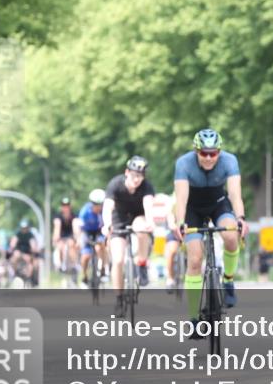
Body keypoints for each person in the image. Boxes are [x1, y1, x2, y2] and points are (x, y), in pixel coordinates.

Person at [173, 129, 248, 319]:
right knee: (196, 259)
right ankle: (193, 317)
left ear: (219, 152)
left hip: (218, 204)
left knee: (231, 236)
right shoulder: (183, 163)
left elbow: (235, 194)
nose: (208, 158)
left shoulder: (230, 161)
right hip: (192, 209)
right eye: (203, 153)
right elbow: (181, 199)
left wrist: (240, 218)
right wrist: (180, 223)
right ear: (196, 151)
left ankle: (228, 280)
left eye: (213, 153)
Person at [102, 156, 156, 317]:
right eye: (134, 175)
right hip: (119, 217)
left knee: (142, 229)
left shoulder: (146, 187)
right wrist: (106, 224)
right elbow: (108, 207)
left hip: (138, 216)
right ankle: (119, 298)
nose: (136, 179)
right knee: (118, 260)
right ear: (127, 173)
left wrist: (151, 221)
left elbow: (148, 205)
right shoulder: (115, 184)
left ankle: (142, 264)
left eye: (140, 176)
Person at [78, 188, 108, 284]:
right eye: (96, 204)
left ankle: (103, 270)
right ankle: (84, 276)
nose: (98, 207)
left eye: (101, 204)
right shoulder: (85, 211)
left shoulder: (105, 211)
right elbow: (79, 227)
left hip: (99, 232)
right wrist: (79, 239)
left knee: (101, 247)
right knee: (86, 256)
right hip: (87, 232)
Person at [52, 196, 77, 275]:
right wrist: (55, 238)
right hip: (61, 237)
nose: (66, 208)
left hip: (70, 236)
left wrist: (77, 238)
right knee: (60, 246)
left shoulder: (74, 216)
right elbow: (57, 227)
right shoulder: (58, 216)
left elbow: (76, 228)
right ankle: (61, 265)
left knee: (71, 244)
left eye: (67, 206)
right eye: (64, 206)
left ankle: (74, 265)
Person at [10, 219, 37, 284]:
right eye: (22, 228)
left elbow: (33, 245)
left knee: (31, 262)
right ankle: (14, 273)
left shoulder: (30, 235)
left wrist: (33, 249)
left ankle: (29, 277)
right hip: (19, 252)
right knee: (14, 258)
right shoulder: (18, 234)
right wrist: (13, 247)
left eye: (25, 228)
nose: (24, 229)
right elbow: (13, 243)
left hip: (28, 253)